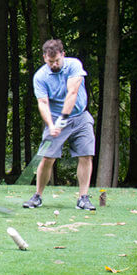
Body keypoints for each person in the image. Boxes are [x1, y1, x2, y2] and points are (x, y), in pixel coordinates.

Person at [23, 39, 97, 211]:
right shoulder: (40, 76)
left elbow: (73, 92)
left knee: (86, 155)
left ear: (63, 54)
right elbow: (42, 103)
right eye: (50, 62)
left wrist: (64, 118)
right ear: (44, 58)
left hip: (80, 116)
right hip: (54, 119)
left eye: (57, 60)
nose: (54, 64)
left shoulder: (74, 65)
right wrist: (51, 124)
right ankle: (38, 196)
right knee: (47, 158)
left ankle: (83, 198)